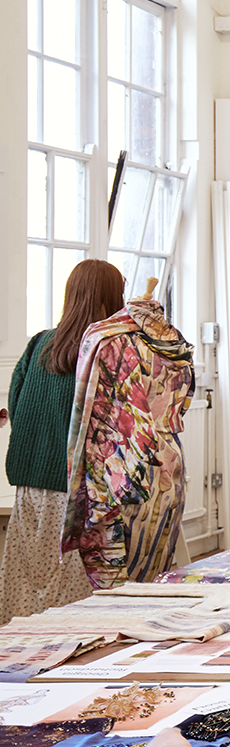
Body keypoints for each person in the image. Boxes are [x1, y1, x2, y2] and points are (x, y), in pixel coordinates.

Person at [0, 259, 125, 622]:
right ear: (110, 298)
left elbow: (16, 403)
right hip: (79, 489)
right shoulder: (107, 350)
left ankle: (21, 652)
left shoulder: (39, 343)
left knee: (29, 577)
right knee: (77, 589)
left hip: (31, 484)